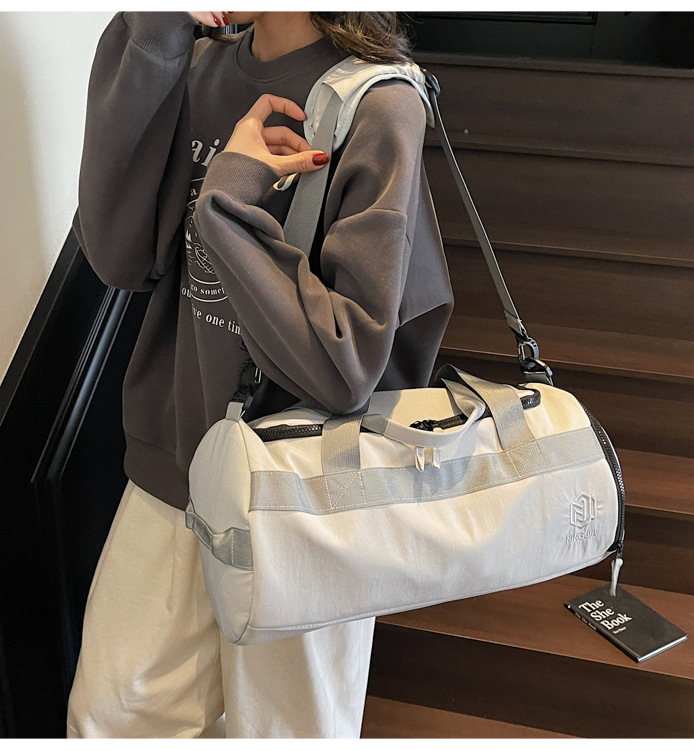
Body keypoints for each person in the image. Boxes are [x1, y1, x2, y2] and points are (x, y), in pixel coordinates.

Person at [67, 10, 453, 739]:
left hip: (306, 496)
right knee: (111, 720)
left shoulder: (379, 103)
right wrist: (152, 35)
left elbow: (344, 365)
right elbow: (120, 258)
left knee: (287, 732)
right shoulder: (197, 68)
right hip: (175, 466)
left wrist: (229, 198)